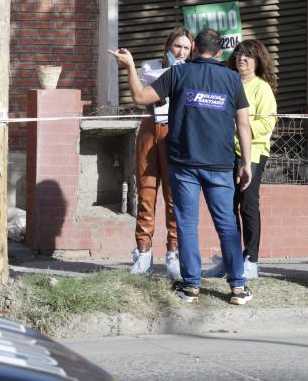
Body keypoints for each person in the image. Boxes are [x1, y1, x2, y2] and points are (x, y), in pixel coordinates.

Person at [108, 29, 255, 306]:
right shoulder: (233, 79)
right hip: (221, 165)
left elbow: (140, 97)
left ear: (196, 47)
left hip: (183, 163)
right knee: (227, 225)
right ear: (221, 52)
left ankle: (191, 288)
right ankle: (238, 287)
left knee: (187, 225)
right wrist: (246, 162)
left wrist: (128, 66)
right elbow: (243, 124)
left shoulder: (178, 74)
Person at [204, 40, 278, 280]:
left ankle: (251, 260)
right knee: (227, 207)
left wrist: (240, 127)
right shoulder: (229, 82)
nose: (241, 59)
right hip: (225, 153)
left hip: (254, 153)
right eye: (238, 55)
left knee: (248, 205)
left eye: (248, 56)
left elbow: (267, 123)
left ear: (258, 61)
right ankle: (231, 259)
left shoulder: (262, 88)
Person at [130, 27, 192, 280]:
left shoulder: (190, 70)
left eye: (186, 48)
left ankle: (173, 255)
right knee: (146, 192)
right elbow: (146, 92)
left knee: (173, 195)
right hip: (149, 128)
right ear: (168, 45)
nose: (181, 51)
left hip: (175, 132)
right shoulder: (151, 66)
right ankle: (143, 254)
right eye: (178, 46)